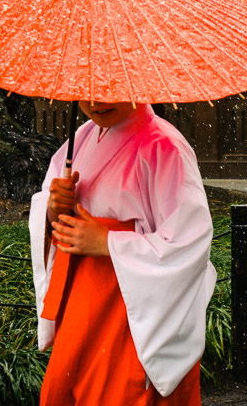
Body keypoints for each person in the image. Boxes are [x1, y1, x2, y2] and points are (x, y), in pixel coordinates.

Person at [29, 100, 217, 406]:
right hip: (80, 296)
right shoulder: (81, 139)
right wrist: (54, 208)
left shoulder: (164, 145)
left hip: (132, 306)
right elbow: (52, 216)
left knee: (121, 393)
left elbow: (189, 240)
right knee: (71, 388)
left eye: (107, 88)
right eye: (87, 89)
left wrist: (108, 242)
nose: (95, 101)